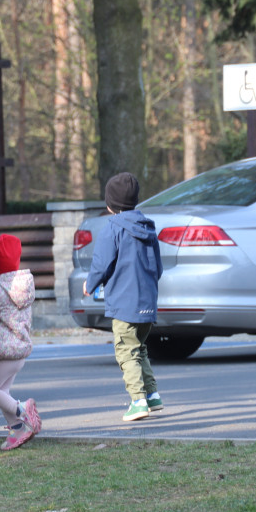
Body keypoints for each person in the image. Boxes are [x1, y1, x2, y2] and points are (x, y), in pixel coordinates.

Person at [83, 172, 164, 423]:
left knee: (125, 351)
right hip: (147, 303)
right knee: (139, 348)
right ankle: (152, 395)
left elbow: (101, 263)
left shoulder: (113, 229)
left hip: (124, 304)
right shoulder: (148, 228)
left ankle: (138, 401)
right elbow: (158, 268)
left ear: (110, 205)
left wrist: (90, 283)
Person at [0, 234, 41, 450]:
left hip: (2, 354)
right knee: (1, 392)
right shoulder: (22, 285)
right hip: (18, 352)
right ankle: (18, 428)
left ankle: (22, 410)